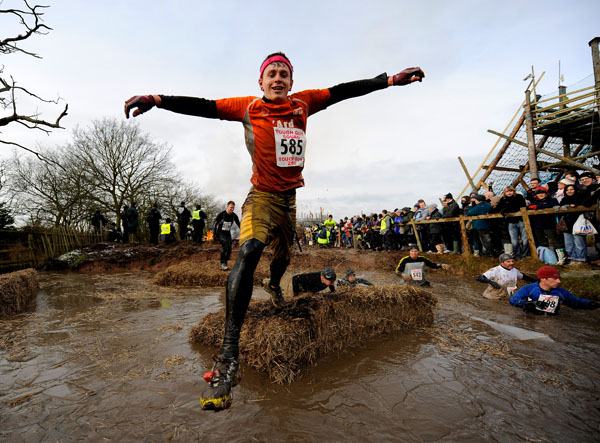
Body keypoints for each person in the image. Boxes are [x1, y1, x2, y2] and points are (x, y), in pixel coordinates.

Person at [125, 52, 425, 410]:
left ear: (292, 82)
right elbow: (204, 106)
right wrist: (157, 100)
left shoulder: (305, 103)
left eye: (284, 74)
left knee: (282, 262)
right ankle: (228, 352)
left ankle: (272, 285)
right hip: (262, 198)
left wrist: (388, 81)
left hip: (289, 202)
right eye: (272, 74)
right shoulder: (247, 107)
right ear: (261, 82)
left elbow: (343, 91)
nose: (278, 79)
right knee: (250, 250)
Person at [509, 266, 599, 315]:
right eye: (555, 279)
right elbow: (513, 300)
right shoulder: (529, 289)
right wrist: (526, 303)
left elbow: (577, 303)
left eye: (559, 278)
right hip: (530, 321)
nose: (559, 281)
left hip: (552, 322)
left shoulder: (561, 292)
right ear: (544, 279)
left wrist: (593, 304)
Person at [496, 186, 528, 259]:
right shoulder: (503, 199)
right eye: (507, 191)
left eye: (510, 191)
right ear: (505, 192)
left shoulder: (519, 197)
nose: (509, 193)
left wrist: (507, 210)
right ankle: (517, 255)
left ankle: (524, 254)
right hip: (511, 222)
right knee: (514, 240)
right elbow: (498, 208)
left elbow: (522, 206)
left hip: (521, 220)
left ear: (513, 191)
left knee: (525, 239)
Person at [213, 201, 240, 271]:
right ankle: (222, 263)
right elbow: (215, 224)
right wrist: (214, 234)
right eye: (231, 207)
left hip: (227, 233)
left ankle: (225, 263)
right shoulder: (222, 214)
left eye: (233, 208)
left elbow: (239, 224)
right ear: (227, 206)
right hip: (220, 232)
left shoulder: (234, 216)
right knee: (225, 246)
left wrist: (244, 231)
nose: (232, 209)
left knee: (230, 249)